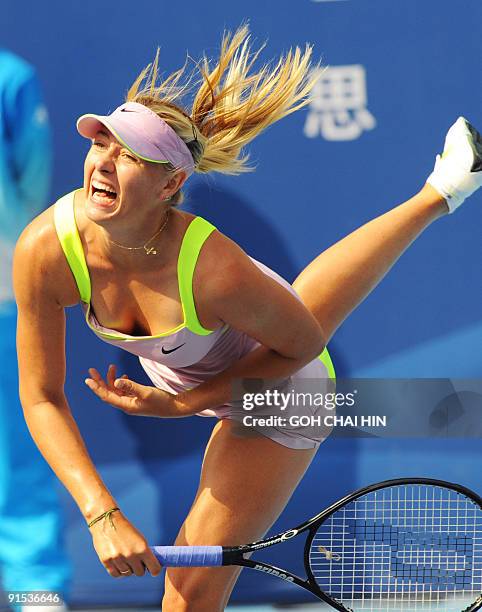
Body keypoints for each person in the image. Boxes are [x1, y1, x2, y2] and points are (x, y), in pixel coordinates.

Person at [12, 26, 481, 611]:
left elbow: (303, 345)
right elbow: (40, 396)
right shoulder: (44, 250)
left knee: (188, 595)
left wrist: (185, 402)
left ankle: (439, 192)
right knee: (302, 302)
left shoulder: (214, 268)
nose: (105, 163)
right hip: (219, 353)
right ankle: (446, 187)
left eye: (132, 155)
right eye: (101, 143)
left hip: (283, 386)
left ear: (171, 184)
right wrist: (101, 513)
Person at [0, 50, 70, 611]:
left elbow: (30, 188)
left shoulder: (10, 76)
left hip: (1, 297)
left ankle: (36, 590)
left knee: (20, 449)